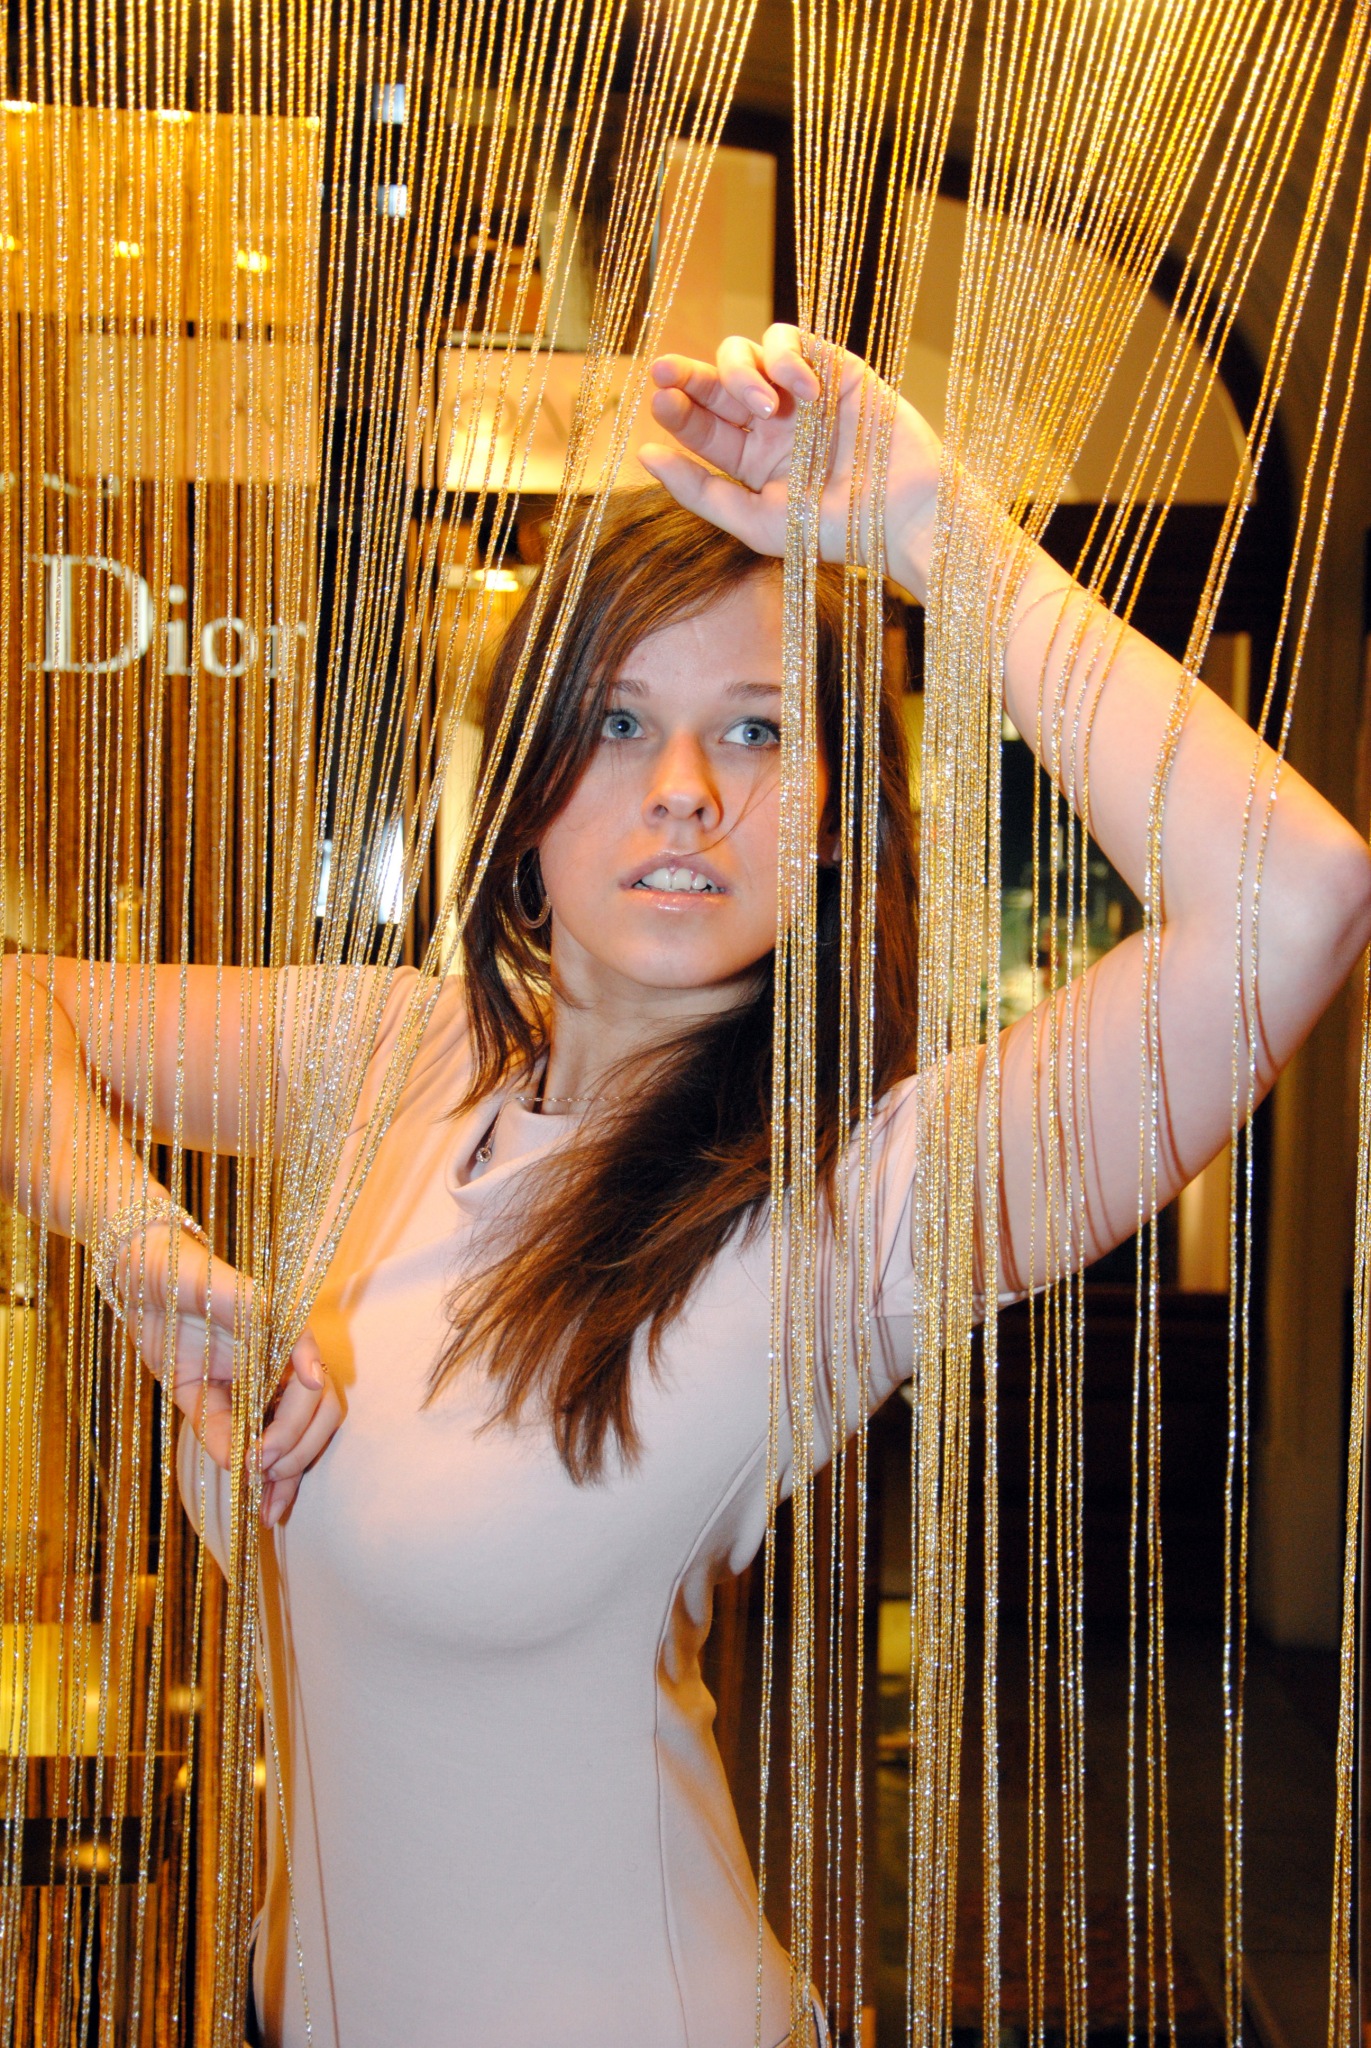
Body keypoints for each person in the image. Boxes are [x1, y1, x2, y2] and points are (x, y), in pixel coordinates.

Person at [4, 327, 1370, 2048]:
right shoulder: (397, 1056)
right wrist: (134, 1233)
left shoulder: (862, 1205)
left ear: (836, 817)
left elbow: (1295, 901)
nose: (682, 793)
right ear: (525, 789)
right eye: (619, 721)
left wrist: (931, 530)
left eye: (758, 730)